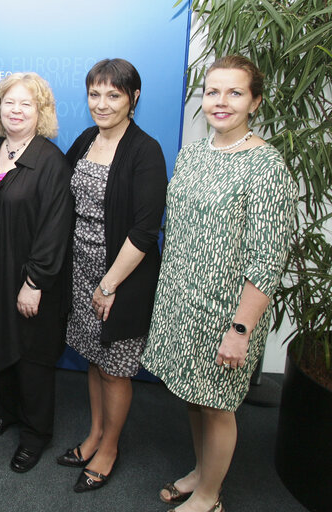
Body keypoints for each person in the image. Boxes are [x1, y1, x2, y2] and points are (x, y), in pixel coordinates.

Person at [142, 55, 296, 512]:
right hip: (181, 302)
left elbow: (268, 260)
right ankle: (200, 472)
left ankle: (210, 496)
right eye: (212, 91)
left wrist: (241, 329)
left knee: (217, 405)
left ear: (255, 101)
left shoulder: (267, 167)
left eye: (234, 92)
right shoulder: (193, 153)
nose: (221, 101)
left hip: (227, 314)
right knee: (193, 396)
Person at [57, 59, 168, 493]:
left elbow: (144, 229)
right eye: (94, 94)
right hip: (80, 267)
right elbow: (58, 185)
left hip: (122, 276)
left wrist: (108, 285)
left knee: (116, 368)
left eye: (113, 95)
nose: (101, 104)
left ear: (133, 98)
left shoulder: (146, 150)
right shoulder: (87, 139)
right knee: (92, 357)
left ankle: (110, 448)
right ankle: (94, 435)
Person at [0, 72, 73, 473]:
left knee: (32, 361)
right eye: (9, 103)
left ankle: (35, 435)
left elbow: (55, 230)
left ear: (41, 112)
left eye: (26, 104)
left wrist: (34, 282)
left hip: (34, 284)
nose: (15, 111)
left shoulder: (50, 161)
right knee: (0, 352)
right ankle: (9, 413)